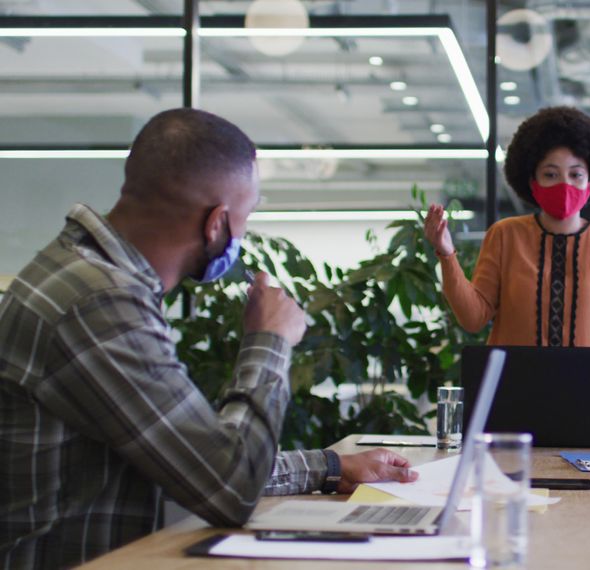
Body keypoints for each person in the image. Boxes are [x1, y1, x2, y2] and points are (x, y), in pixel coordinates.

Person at [0, 108, 418, 569]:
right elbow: (229, 487)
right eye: (247, 215)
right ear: (216, 222)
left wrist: (332, 467)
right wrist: (269, 340)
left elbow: (196, 456)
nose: (243, 233)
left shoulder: (93, 279)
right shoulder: (99, 303)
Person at [423, 106, 590, 412]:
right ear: (532, 181)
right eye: (550, 174)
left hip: (589, 400)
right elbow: (473, 318)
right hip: (511, 397)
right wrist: (447, 254)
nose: (564, 184)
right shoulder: (505, 236)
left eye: (575, 174)